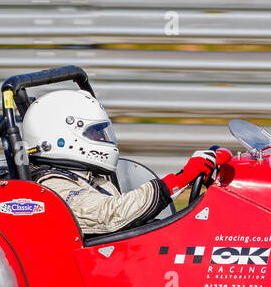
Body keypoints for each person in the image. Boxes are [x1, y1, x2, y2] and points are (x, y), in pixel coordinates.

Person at [19, 87, 230, 234]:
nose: (103, 139)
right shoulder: (55, 188)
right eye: (95, 133)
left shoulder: (86, 175)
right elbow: (112, 214)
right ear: (61, 138)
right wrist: (183, 178)